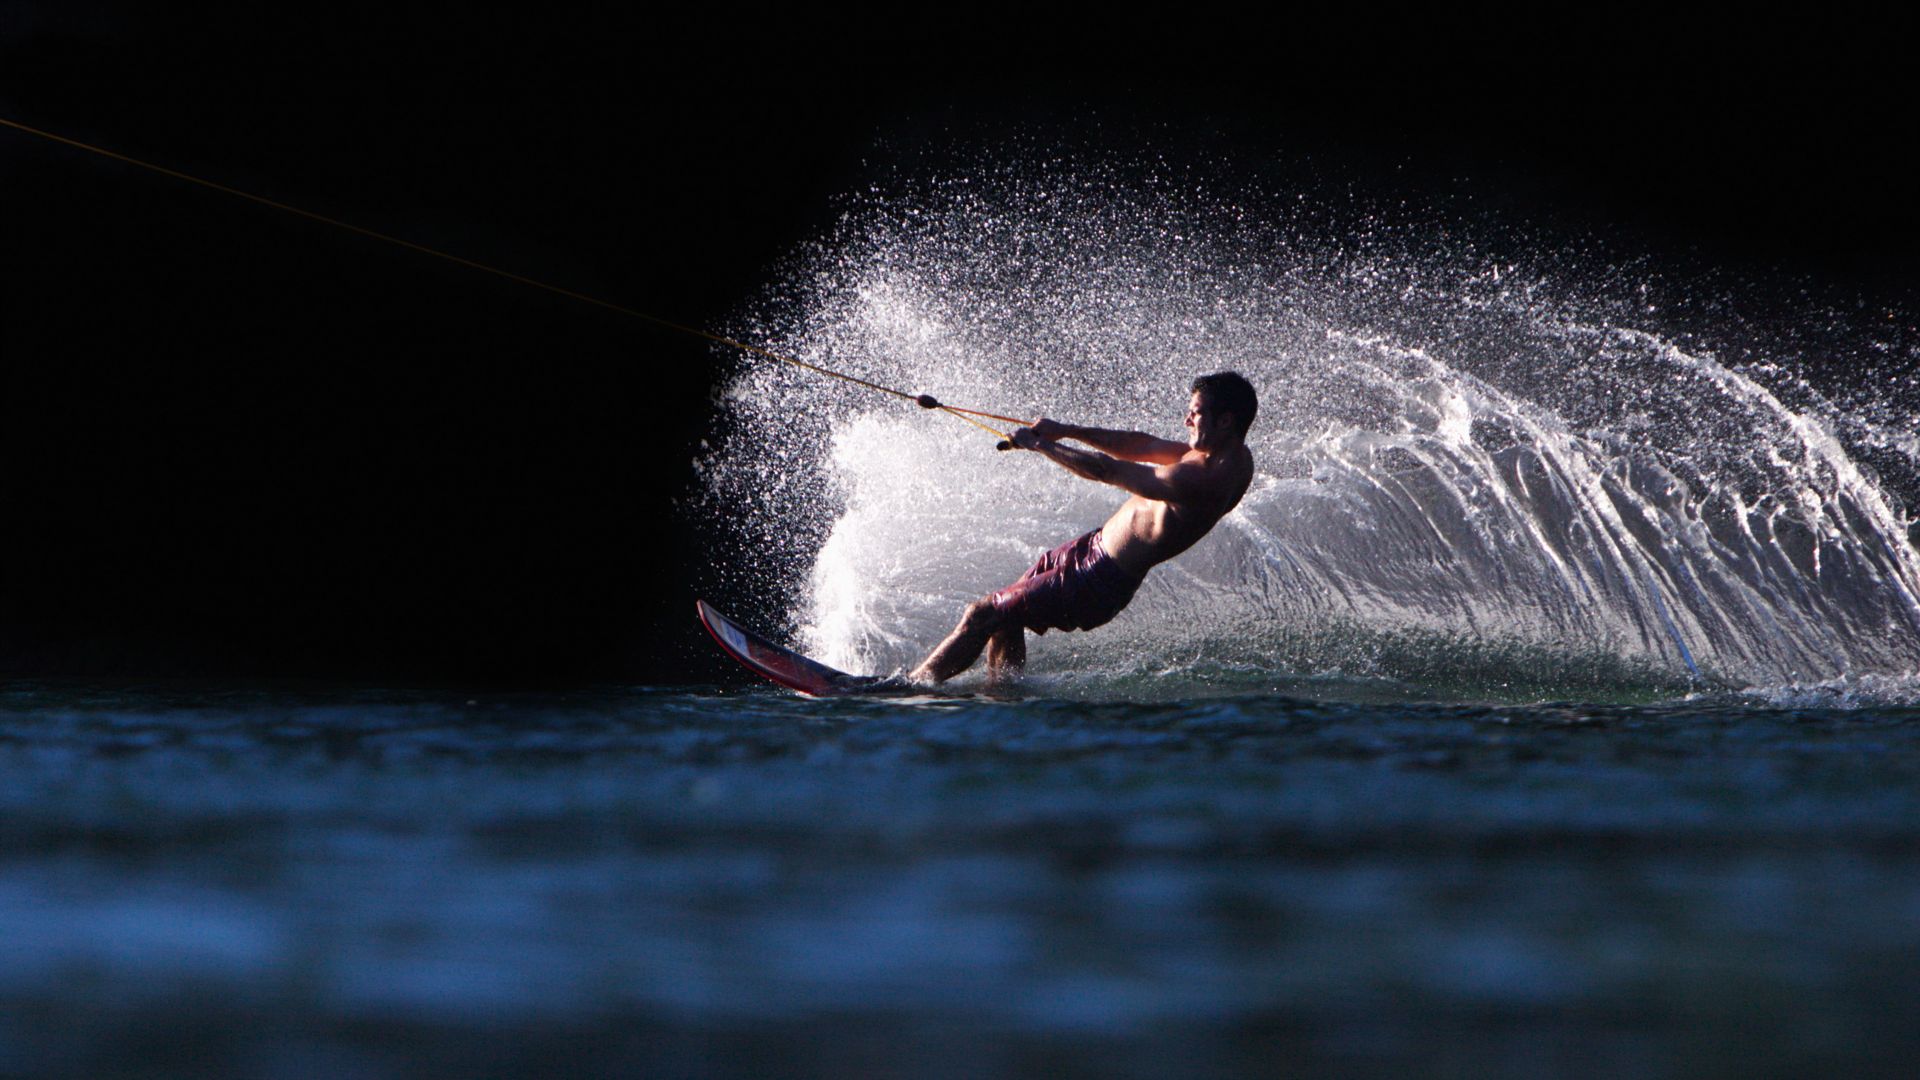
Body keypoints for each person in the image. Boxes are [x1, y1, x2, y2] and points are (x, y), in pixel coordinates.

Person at [909, 371, 1258, 685]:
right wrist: (1068, 430)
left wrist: (1042, 445)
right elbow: (1143, 446)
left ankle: (913, 688)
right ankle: (1002, 696)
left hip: (1096, 579)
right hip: (1090, 548)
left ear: (1225, 421)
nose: (1186, 420)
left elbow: (1109, 471)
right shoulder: (1231, 455)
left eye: (1195, 413)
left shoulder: (1201, 480)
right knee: (1005, 618)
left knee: (983, 613)